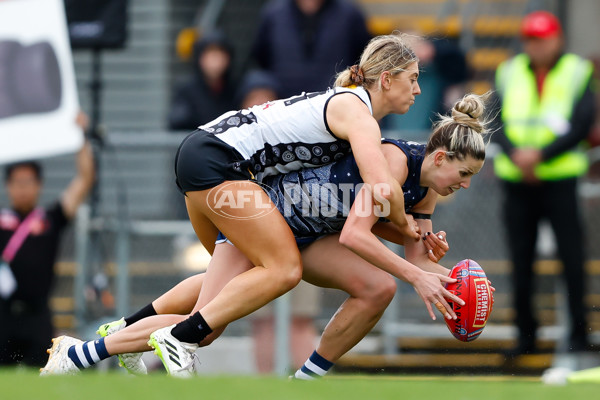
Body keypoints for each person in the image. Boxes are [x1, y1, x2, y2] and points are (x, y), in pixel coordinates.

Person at [41, 93, 492, 378]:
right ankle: (78, 353)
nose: (465, 184)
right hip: (264, 218)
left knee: (376, 288)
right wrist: (418, 273)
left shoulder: (430, 191)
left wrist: (453, 278)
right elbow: (357, 235)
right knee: (204, 326)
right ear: (438, 156)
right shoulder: (395, 162)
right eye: (464, 172)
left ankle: (307, 382)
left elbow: (417, 256)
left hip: (310, 236)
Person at [492, 11, 596, 355]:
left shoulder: (577, 71)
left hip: (560, 178)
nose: (535, 46)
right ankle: (526, 337)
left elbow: (582, 122)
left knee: (573, 258)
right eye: (530, 39)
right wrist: (519, 157)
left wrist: (540, 156)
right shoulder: (508, 72)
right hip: (517, 180)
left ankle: (580, 335)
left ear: (558, 39)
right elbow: (496, 119)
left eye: (542, 39)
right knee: (520, 261)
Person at [235, 69, 322, 374]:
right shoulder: (234, 145)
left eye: (265, 99)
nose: (259, 105)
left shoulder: (293, 137)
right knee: (262, 320)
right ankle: (265, 386)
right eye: (253, 99)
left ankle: (306, 383)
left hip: (298, 241)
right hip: (257, 246)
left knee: (300, 318)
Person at [0, 113, 95, 367]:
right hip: (3, 315)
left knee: (43, 378)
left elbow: (84, 181)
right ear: (7, 185)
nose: (22, 188)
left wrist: (81, 137)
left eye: (28, 182)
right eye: (16, 182)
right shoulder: (1, 220)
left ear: (39, 185)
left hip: (38, 314)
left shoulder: (50, 219)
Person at [252, 0, 371, 98]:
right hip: (283, 101)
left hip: (335, 99)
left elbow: (363, 60)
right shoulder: (273, 13)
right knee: (259, 89)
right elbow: (261, 57)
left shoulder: (350, 14)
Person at [381, 33, 469, 141]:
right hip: (393, 139)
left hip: (429, 140)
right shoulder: (387, 78)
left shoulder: (436, 72)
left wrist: (434, 49)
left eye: (415, 46)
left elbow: (459, 61)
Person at [167, 30, 236, 131]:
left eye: (220, 54)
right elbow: (177, 122)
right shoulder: (186, 89)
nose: (215, 60)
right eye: (210, 54)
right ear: (199, 58)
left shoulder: (236, 89)